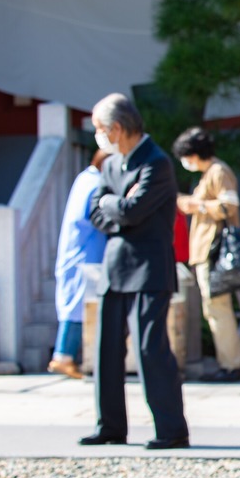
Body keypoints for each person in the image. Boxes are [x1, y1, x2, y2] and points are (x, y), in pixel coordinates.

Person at [80, 93, 190, 449]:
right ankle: (110, 426)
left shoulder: (156, 162)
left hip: (149, 267)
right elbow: (96, 213)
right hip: (115, 265)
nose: (99, 135)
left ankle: (171, 429)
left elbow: (130, 210)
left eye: (100, 129)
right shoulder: (111, 164)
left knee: (150, 349)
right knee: (106, 349)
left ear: (116, 128)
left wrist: (115, 206)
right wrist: (118, 206)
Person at [172, 127, 240, 383]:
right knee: (215, 309)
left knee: (218, 308)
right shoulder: (209, 174)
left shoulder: (218, 171)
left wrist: (196, 205)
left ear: (194, 153)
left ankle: (231, 365)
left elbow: (230, 205)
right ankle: (227, 363)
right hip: (206, 251)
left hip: (215, 250)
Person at [48, 149, 108, 379]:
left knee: (74, 304)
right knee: (77, 306)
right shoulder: (95, 183)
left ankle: (66, 355)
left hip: (79, 250)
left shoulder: (84, 178)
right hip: (86, 252)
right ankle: (64, 355)